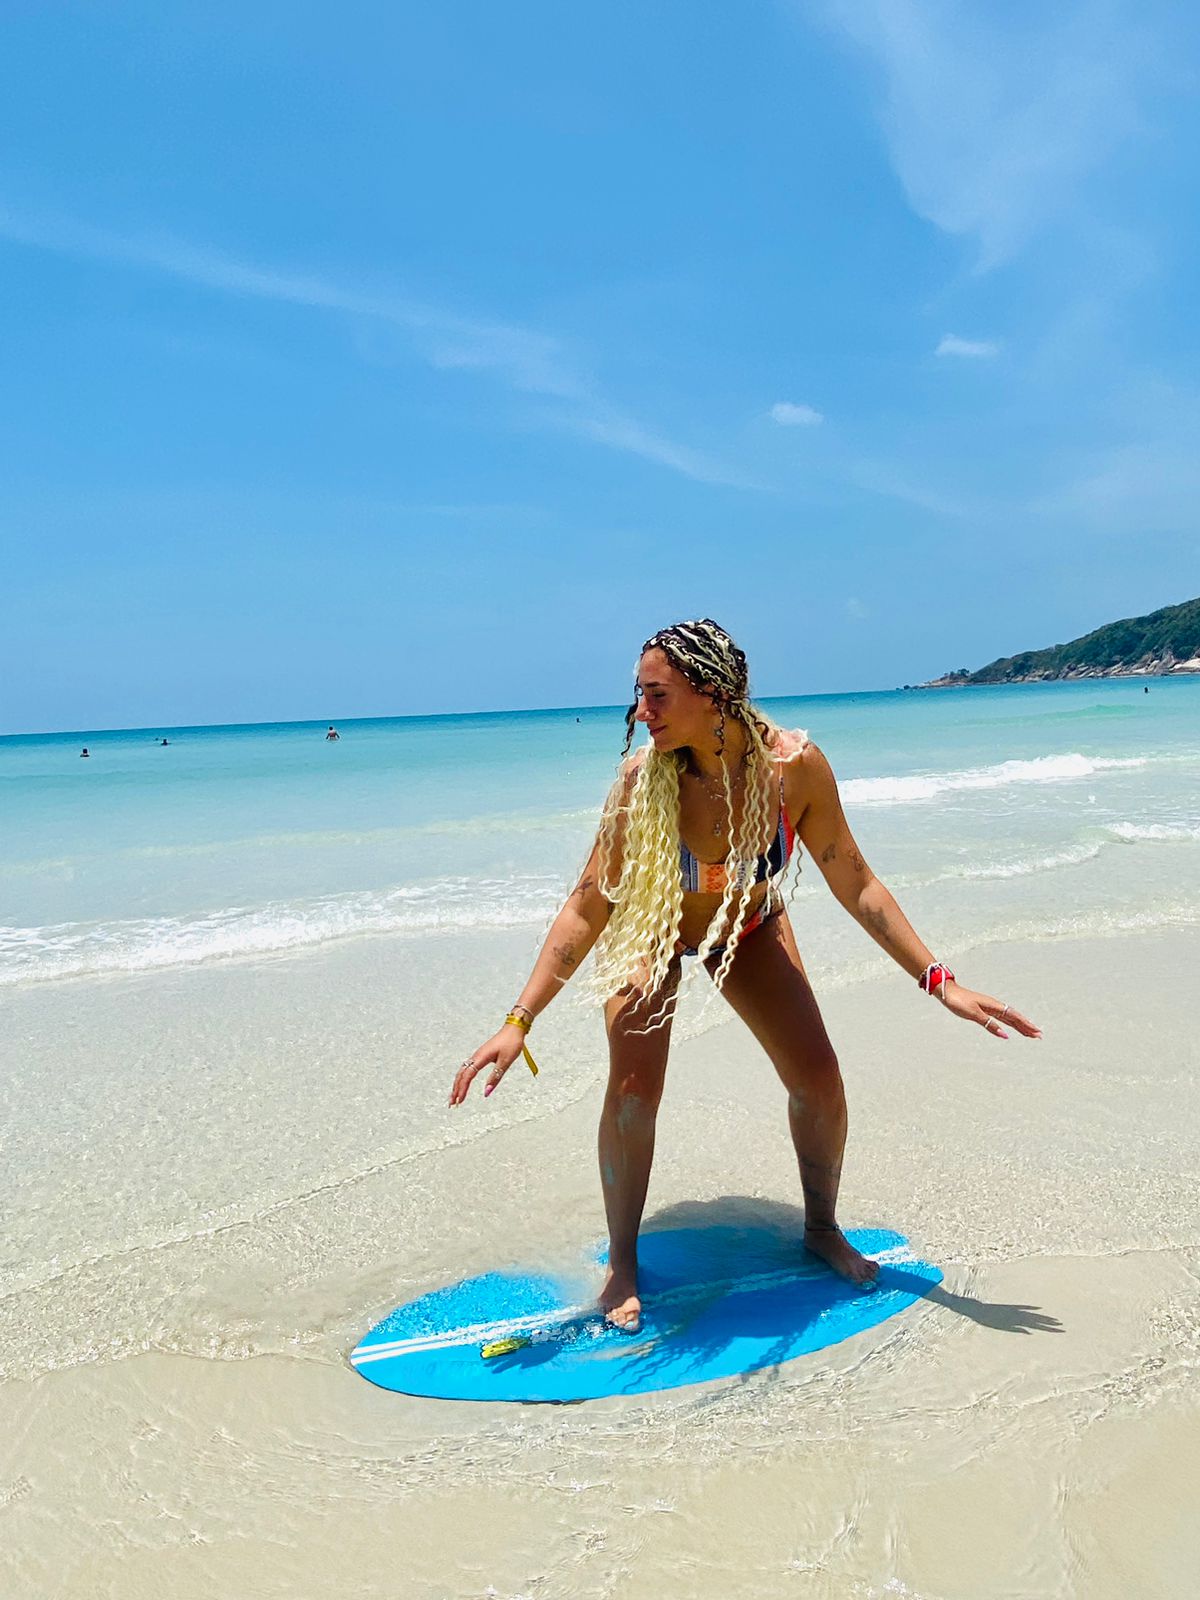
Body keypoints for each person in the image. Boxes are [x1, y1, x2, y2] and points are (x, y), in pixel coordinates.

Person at [450, 619, 1040, 1330]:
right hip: (651, 928)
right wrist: (519, 1020)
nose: (642, 711)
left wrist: (941, 982)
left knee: (818, 1079)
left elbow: (856, 882)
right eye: (639, 694)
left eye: (658, 695)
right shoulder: (643, 780)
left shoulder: (794, 769)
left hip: (747, 925)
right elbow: (588, 905)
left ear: (713, 693)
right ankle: (623, 1263)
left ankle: (821, 1229)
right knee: (634, 1092)